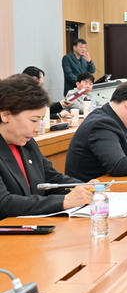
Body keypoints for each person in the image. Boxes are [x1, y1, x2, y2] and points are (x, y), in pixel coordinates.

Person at [0, 74, 94, 219]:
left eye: (41, 120)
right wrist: (64, 202)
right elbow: (4, 203)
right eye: (34, 120)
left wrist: (84, 187)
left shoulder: (26, 143)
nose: (38, 128)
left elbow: (53, 179)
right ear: (6, 114)